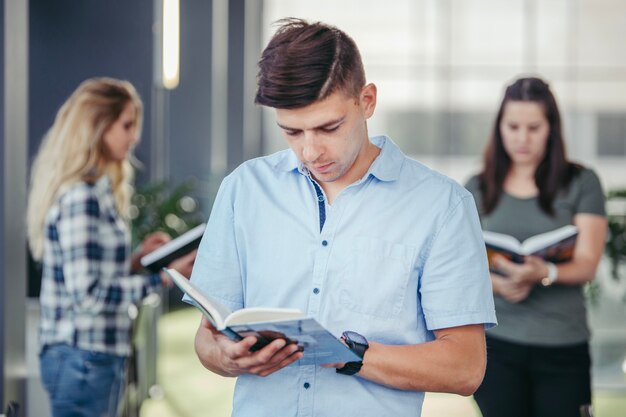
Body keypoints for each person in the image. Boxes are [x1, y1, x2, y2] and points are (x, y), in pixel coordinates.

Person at [188, 18, 496, 416]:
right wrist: (227, 356)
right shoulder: (243, 190)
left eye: (328, 127)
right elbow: (206, 339)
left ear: (366, 101)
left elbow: (465, 367)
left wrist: (351, 355)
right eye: (292, 132)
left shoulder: (443, 206)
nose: (311, 151)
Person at [26, 77, 196, 417]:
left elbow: (94, 275)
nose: (134, 137)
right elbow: (88, 297)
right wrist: (163, 278)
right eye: (127, 125)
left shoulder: (96, 193)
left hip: (92, 357)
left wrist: (138, 259)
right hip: (83, 358)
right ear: (97, 127)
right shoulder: (82, 199)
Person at [464, 76, 608, 417]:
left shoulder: (581, 182)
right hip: (496, 347)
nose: (522, 138)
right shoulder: (478, 187)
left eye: (534, 127)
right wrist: (498, 284)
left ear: (551, 129)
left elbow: (587, 262)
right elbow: (462, 266)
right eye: (513, 126)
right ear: (499, 127)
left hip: (562, 345)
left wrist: (544, 272)